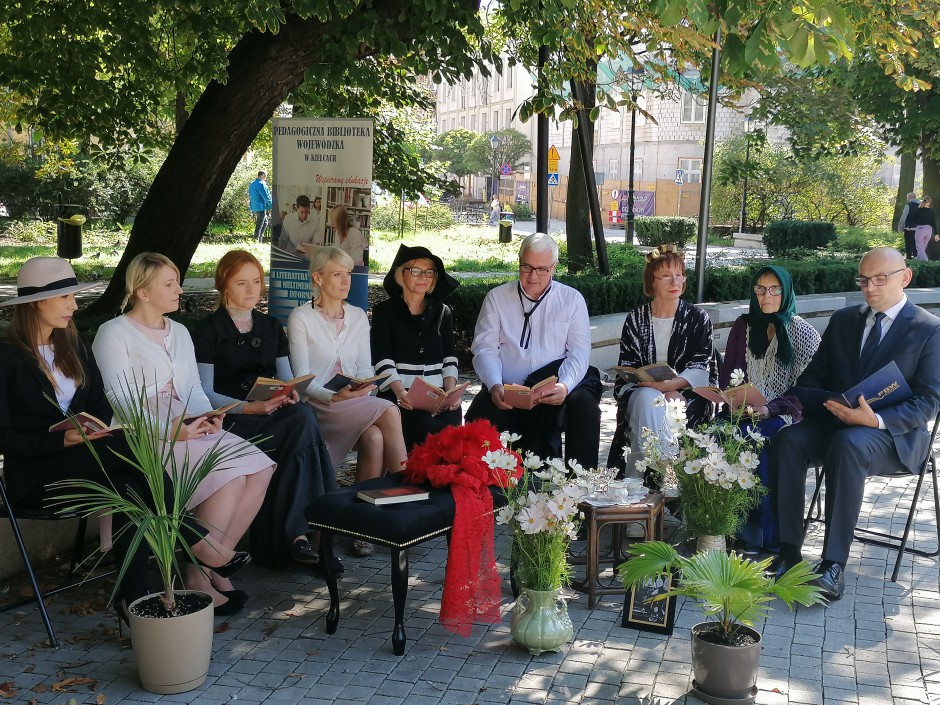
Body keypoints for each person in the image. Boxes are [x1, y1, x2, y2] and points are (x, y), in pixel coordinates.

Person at [0, 258, 248, 616]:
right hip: (36, 477)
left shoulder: (74, 345)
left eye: (73, 296)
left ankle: (134, 602)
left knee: (131, 485)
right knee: (129, 449)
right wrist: (61, 441)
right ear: (37, 302)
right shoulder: (6, 357)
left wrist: (89, 429)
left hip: (86, 463)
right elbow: (4, 437)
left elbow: (99, 406)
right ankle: (200, 544)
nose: (74, 306)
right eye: (65, 298)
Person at [93, 253, 275, 614]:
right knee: (230, 478)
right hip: (142, 430)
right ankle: (209, 564)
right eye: (170, 284)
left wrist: (208, 416)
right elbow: (120, 399)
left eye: (177, 281)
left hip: (185, 420)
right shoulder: (113, 333)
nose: (179, 290)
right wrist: (171, 432)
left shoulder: (179, 331)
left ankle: (204, 567)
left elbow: (192, 389)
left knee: (259, 467)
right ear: (143, 292)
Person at [769, 247, 940, 600]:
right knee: (788, 439)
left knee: (849, 445)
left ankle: (833, 565)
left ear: (905, 277)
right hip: (837, 423)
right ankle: (788, 552)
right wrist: (831, 403)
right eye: (863, 280)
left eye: (880, 279)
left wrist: (874, 419)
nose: (870, 287)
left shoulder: (929, 329)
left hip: (894, 436)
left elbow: (929, 401)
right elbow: (811, 380)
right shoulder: (844, 320)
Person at [192, 250, 340, 573]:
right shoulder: (206, 330)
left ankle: (301, 537)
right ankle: (310, 536)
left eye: (256, 282)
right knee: (303, 431)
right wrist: (250, 407)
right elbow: (203, 392)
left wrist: (289, 395)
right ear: (223, 286)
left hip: (269, 412)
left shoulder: (271, 326)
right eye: (241, 283)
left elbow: (287, 380)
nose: (251, 290)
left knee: (302, 417)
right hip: (229, 419)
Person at [287, 247, 407, 557]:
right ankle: (408, 496)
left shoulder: (356, 315)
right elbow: (301, 378)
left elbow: (365, 367)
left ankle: (360, 526)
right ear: (318, 277)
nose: (345, 281)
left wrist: (365, 384)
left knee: (375, 437)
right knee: (390, 409)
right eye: (337, 274)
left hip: (355, 400)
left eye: (348, 274)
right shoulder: (301, 317)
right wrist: (334, 395)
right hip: (319, 406)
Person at [465, 232, 602, 469]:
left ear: (554, 267)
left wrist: (565, 386)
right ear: (518, 261)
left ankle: (582, 486)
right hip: (506, 389)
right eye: (526, 267)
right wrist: (495, 384)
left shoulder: (571, 300)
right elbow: (485, 349)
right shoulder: (497, 298)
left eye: (542, 270)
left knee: (584, 405)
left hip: (553, 386)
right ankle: (488, 489)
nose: (532, 276)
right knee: (484, 410)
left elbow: (578, 352)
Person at [719, 265, 821, 552]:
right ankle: (724, 525)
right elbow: (731, 374)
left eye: (774, 289)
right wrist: (733, 399)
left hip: (787, 414)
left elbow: (807, 390)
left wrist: (771, 409)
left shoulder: (805, 333)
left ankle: (766, 536)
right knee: (716, 434)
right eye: (760, 289)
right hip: (745, 411)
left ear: (786, 291)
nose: (767, 295)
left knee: (759, 437)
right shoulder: (744, 325)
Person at [606, 244, 717, 478]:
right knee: (649, 399)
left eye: (679, 275)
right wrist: (657, 389)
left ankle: (634, 484)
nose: (675, 282)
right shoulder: (635, 319)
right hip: (642, 391)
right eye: (666, 276)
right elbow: (628, 365)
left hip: (686, 393)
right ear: (652, 281)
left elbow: (702, 365)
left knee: (653, 411)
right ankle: (668, 471)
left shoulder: (698, 319)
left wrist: (671, 387)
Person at [371, 244, 462, 450]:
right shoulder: (384, 312)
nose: (424, 277)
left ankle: (446, 479)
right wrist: (400, 392)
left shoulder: (442, 312)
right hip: (399, 395)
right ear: (401, 274)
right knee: (424, 426)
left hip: (438, 396)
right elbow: (382, 359)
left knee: (454, 418)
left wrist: (450, 392)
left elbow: (449, 357)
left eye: (429, 272)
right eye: (416, 271)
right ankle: (415, 478)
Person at [248, 171, 273, 243]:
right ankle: (255, 240)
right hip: (261, 207)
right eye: (265, 177)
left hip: (254, 207)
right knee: (259, 225)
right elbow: (266, 196)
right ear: (263, 175)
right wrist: (272, 205)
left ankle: (259, 239)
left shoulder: (252, 184)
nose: (266, 178)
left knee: (265, 222)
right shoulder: (261, 184)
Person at [910, 196, 936, 261]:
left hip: (921, 229)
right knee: (923, 248)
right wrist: (936, 233)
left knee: (919, 248)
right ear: (929, 202)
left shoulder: (918, 210)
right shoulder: (931, 212)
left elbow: (914, 220)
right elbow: (933, 223)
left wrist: (910, 226)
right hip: (929, 230)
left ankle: (926, 262)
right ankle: (919, 260)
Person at [897, 192, 920, 260]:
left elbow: (903, 217)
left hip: (908, 228)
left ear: (910, 198)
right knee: (916, 245)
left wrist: (900, 227)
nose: (907, 199)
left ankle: (909, 258)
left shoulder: (908, 205)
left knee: (908, 244)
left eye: (907, 198)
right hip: (918, 228)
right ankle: (916, 259)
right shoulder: (921, 205)